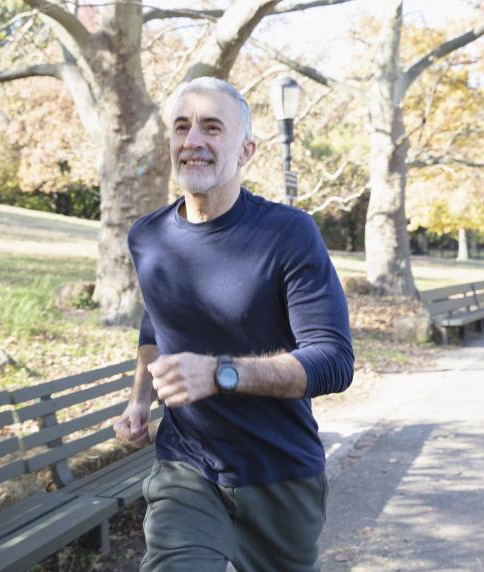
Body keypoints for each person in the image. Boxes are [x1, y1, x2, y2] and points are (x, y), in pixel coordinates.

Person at [113, 76, 354, 572]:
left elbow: (334, 360)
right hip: (186, 465)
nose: (193, 140)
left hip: (279, 473)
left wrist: (221, 373)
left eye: (211, 128)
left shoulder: (288, 233)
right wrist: (140, 397)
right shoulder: (148, 236)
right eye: (182, 127)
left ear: (246, 150)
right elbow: (155, 322)